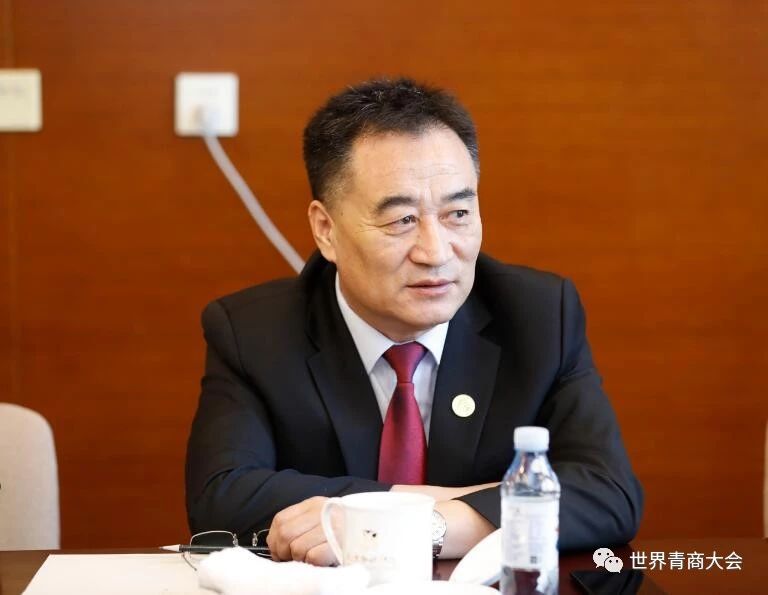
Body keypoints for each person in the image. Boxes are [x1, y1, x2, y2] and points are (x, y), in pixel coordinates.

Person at [185, 77, 643, 566]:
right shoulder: (254, 332)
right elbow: (223, 497)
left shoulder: (539, 314)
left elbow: (607, 492)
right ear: (326, 229)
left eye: (457, 213)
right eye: (402, 220)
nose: (436, 252)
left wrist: (434, 524)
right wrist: (456, 500)